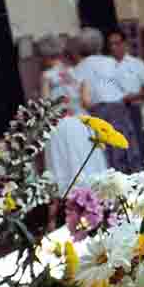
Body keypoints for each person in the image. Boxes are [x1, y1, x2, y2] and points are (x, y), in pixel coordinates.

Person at [38, 34, 108, 226]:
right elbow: (87, 101)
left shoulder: (47, 77)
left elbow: (45, 107)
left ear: (45, 56)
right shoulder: (78, 72)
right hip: (80, 124)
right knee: (86, 167)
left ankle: (58, 223)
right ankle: (97, 214)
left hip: (60, 127)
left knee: (61, 170)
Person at [73, 27, 141, 172]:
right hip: (117, 108)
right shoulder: (109, 62)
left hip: (96, 112)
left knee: (107, 151)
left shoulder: (78, 68)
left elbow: (80, 96)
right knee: (126, 144)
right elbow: (125, 86)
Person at [107, 28, 144, 165]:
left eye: (117, 43)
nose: (113, 47)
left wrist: (136, 96)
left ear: (124, 44)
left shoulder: (136, 64)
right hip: (113, 110)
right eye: (110, 44)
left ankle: (141, 169)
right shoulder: (106, 66)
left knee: (137, 143)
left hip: (132, 107)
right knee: (117, 148)